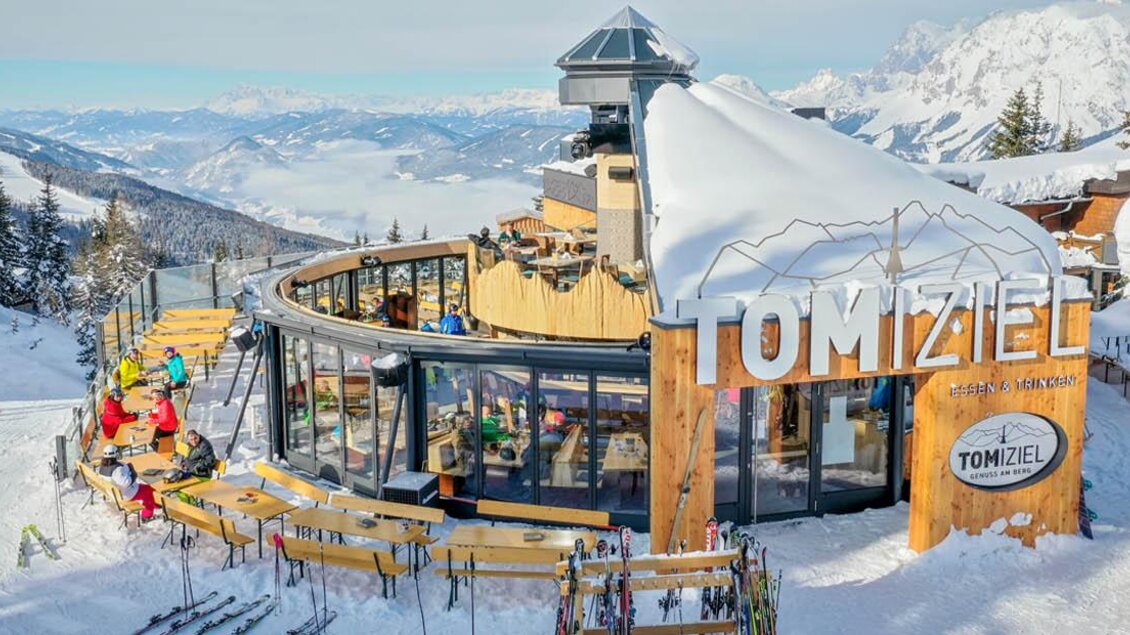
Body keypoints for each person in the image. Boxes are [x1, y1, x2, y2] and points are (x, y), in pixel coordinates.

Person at [97, 445, 159, 521]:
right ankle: (147, 516)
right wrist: (132, 472)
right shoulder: (116, 469)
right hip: (126, 494)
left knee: (147, 488)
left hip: (114, 493)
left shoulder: (102, 467)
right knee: (149, 491)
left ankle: (154, 504)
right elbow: (126, 483)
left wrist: (126, 468)